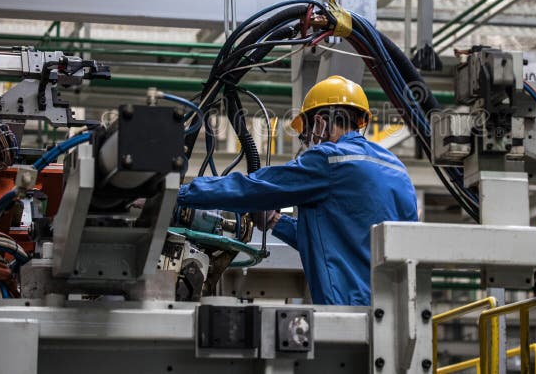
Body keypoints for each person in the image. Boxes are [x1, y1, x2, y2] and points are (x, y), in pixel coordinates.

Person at [177, 75, 418, 305]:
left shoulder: (330, 160)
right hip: (398, 314)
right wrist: (276, 221)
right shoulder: (398, 170)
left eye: (306, 135)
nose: (307, 143)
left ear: (321, 123)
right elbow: (338, 241)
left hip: (350, 309)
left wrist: (180, 195)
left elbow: (254, 188)